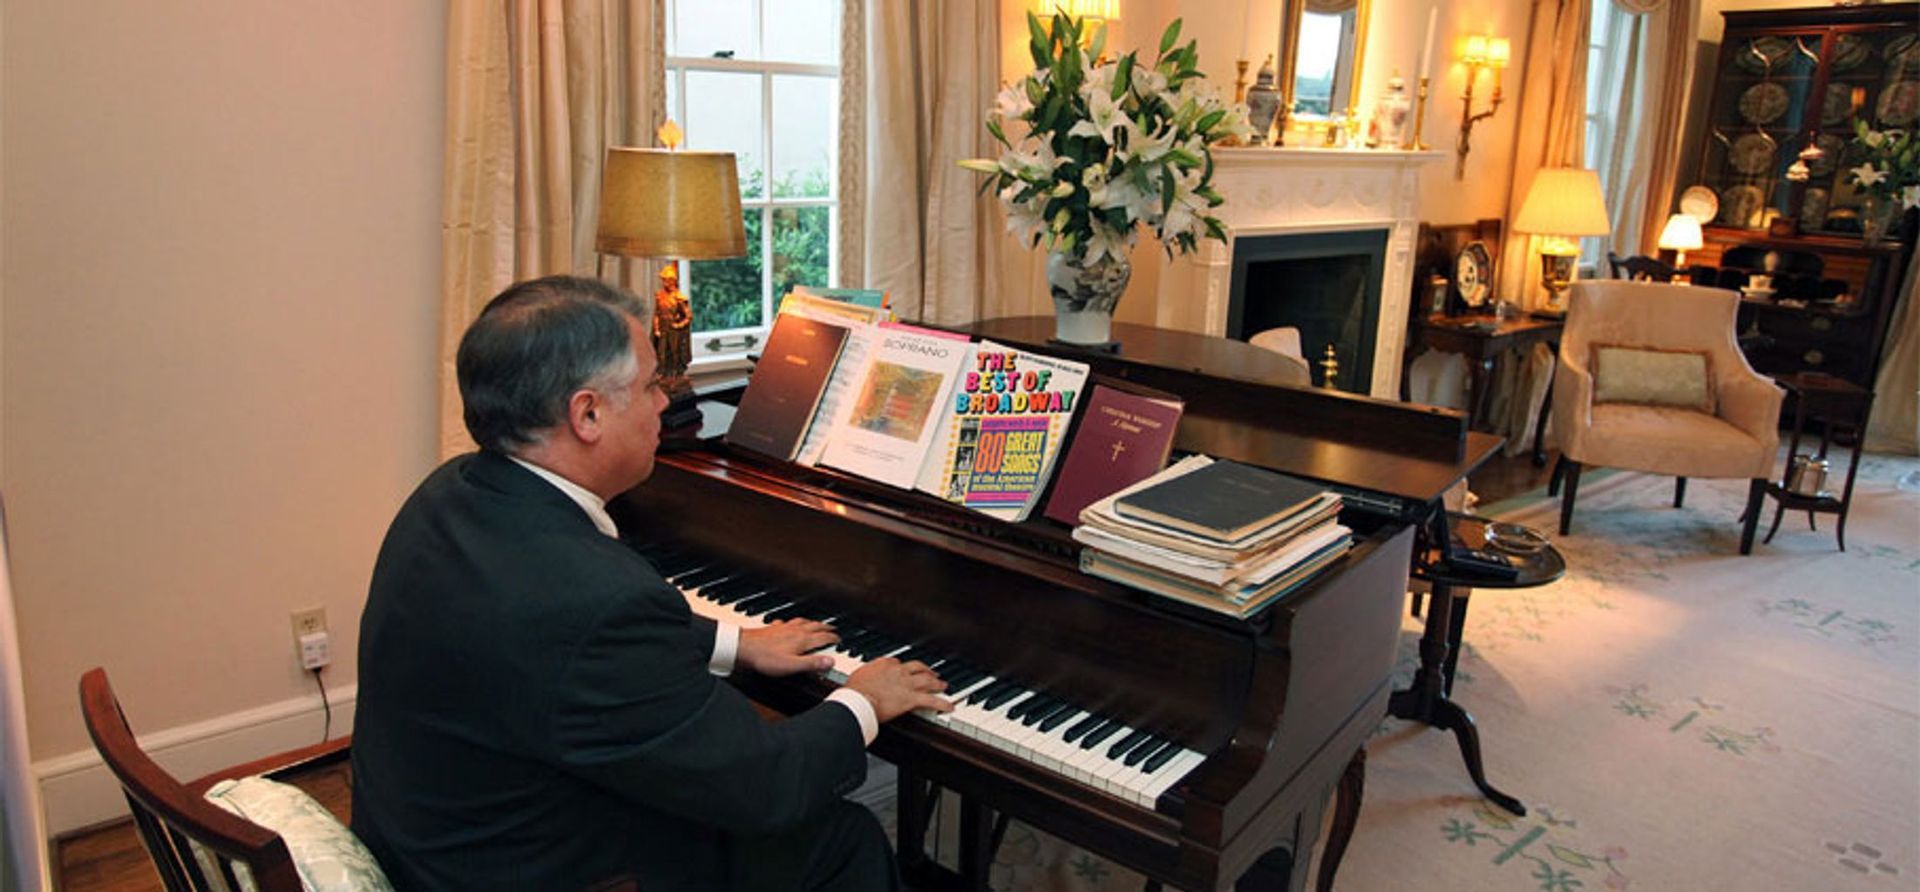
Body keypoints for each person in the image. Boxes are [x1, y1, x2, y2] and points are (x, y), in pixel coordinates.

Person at [351, 275, 951, 891]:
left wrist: (733, 644)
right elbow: (765, 785)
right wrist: (864, 701)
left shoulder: (450, 495)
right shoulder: (596, 599)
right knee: (835, 837)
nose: (666, 402)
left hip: (434, 834)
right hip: (525, 868)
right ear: (587, 413)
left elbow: (569, 650)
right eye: (648, 385)